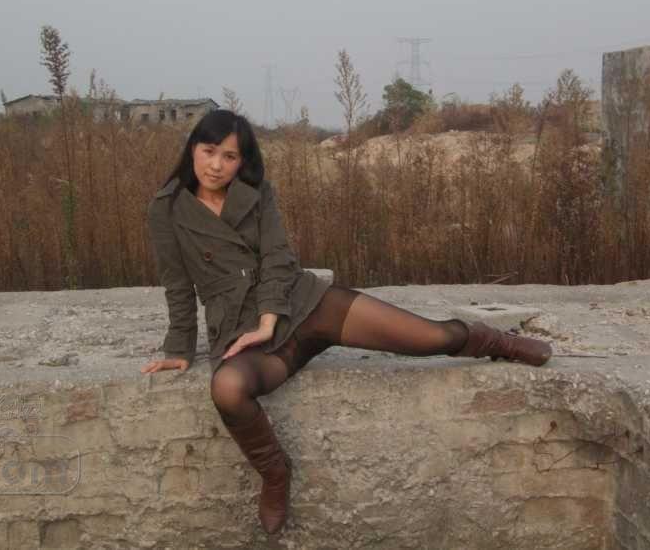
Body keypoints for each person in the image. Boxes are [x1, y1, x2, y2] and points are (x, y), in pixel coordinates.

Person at [140, 110, 551, 534]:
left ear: (242, 161)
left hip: (302, 302)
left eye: (229, 157)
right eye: (209, 151)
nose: (216, 165)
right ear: (193, 148)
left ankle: (496, 342)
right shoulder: (167, 208)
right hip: (240, 330)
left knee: (429, 336)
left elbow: (278, 258)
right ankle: (275, 473)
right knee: (227, 388)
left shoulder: (256, 192)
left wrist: (268, 319)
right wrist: (178, 348)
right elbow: (177, 284)